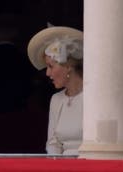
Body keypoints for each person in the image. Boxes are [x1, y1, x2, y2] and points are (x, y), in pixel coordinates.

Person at [27, 26, 83, 155]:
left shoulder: (93, 97)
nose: (47, 73)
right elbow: (53, 142)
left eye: (50, 66)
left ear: (68, 66)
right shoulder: (56, 99)